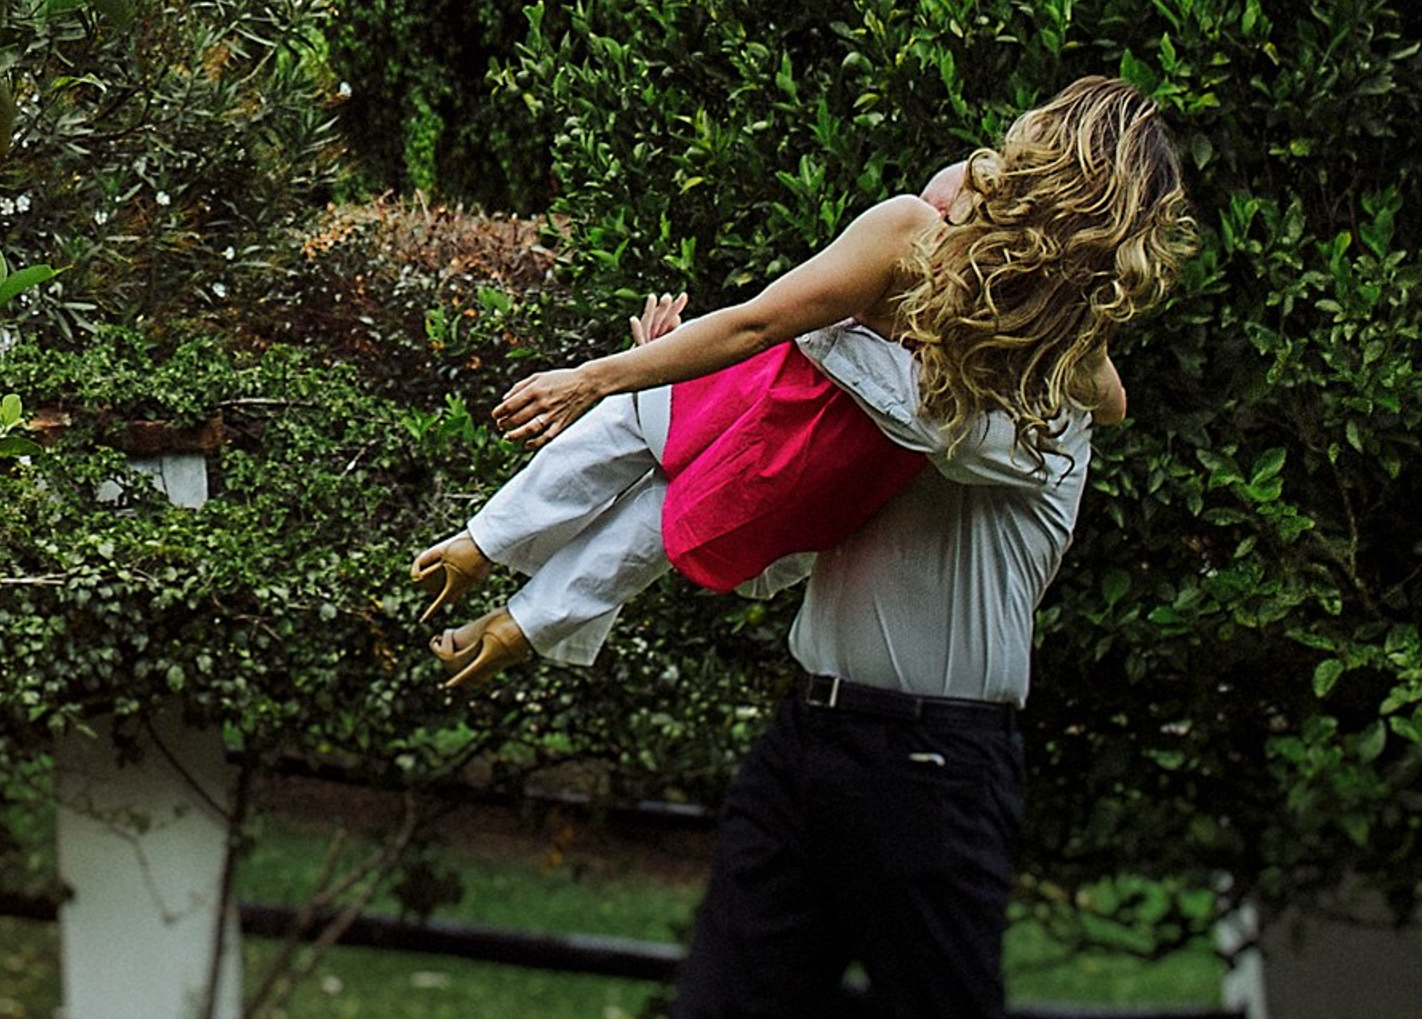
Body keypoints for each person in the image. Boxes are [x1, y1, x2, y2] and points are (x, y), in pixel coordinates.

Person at [410, 77, 1186, 730]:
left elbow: (757, 323)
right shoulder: (1057, 335)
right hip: (833, 467)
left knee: (635, 431)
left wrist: (598, 374)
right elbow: (1111, 402)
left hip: (787, 401)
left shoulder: (913, 232)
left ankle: (486, 546)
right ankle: (520, 621)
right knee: (669, 506)